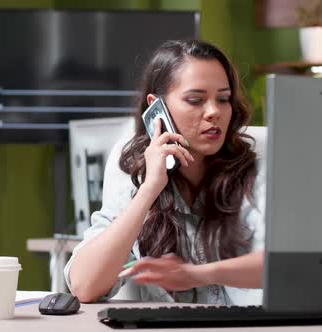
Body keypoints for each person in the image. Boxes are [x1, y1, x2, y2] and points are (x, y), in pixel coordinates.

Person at [65, 40, 265, 304]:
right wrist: (149, 190)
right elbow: (84, 286)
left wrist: (198, 275)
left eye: (223, 99)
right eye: (195, 100)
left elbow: (291, 265)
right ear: (157, 108)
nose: (214, 112)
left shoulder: (257, 177)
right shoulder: (137, 187)